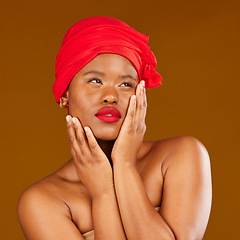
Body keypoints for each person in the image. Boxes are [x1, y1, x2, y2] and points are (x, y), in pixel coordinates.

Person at [18, 16, 212, 240]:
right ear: (65, 94)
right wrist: (103, 193)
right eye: (95, 81)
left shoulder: (180, 156)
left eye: (125, 84)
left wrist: (125, 165)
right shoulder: (42, 201)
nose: (111, 96)